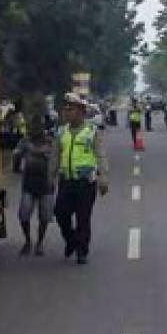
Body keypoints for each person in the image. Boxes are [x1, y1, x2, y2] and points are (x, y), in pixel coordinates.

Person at [52, 93, 109, 264]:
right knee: (60, 213)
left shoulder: (92, 132)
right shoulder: (61, 132)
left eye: (71, 110)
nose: (67, 113)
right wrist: (50, 176)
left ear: (81, 112)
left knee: (83, 217)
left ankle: (82, 250)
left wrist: (103, 177)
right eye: (66, 110)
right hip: (66, 181)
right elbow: (55, 156)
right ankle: (71, 239)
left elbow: (101, 156)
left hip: (85, 182)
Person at [15, 122, 54, 256]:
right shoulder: (25, 141)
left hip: (46, 184)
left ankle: (39, 243)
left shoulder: (50, 142)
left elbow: (57, 158)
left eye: (38, 128)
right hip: (29, 184)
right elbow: (16, 154)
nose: (36, 131)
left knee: (45, 216)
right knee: (24, 214)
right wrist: (17, 166)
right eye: (34, 128)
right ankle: (28, 241)